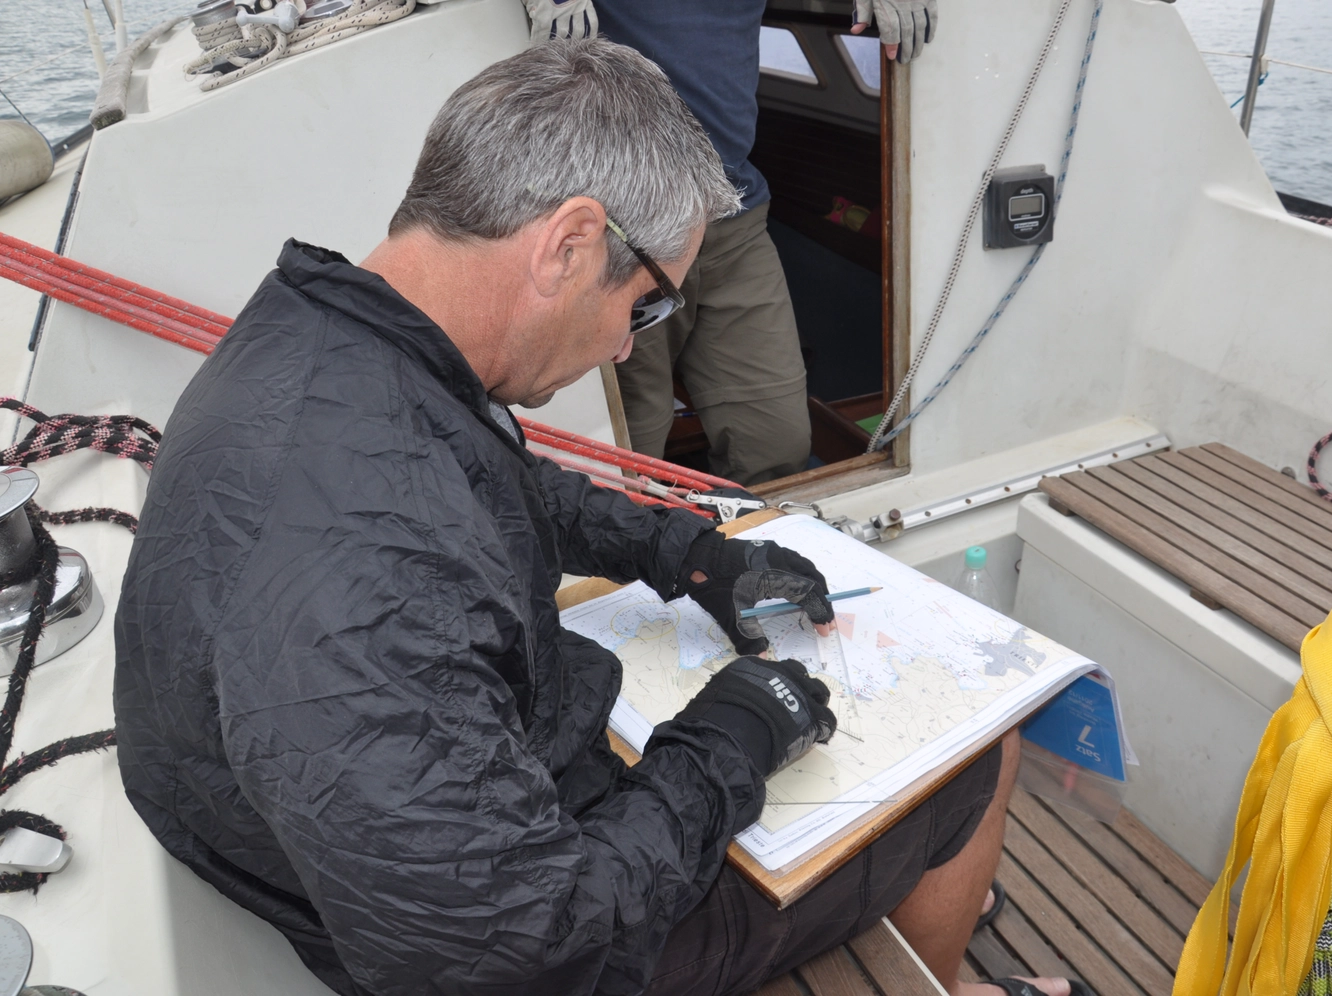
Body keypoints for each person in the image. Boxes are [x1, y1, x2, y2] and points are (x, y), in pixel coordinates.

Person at [113, 39, 1077, 996]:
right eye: (647, 306)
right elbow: (529, 955)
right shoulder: (372, 571)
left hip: (398, 851)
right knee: (973, 758)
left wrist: (692, 555)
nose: (625, 346)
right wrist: (726, 745)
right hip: (534, 933)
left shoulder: (330, 341)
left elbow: (491, 487)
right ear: (570, 245)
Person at [522, 0, 936, 487]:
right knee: (626, 459)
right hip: (624, 236)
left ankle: (745, 555)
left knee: (776, 443)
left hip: (734, 222)